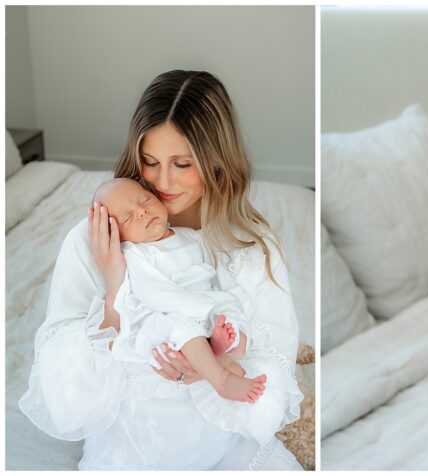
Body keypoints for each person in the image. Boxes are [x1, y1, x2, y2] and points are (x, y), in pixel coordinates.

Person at [18, 70, 303, 470]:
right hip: (128, 453)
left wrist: (211, 369)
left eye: (182, 164)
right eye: (150, 162)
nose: (163, 183)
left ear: (217, 160)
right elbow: (66, 403)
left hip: (224, 452)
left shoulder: (251, 247)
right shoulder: (95, 241)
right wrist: (114, 287)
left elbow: (270, 392)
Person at [95, 178, 267, 405]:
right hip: (163, 318)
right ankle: (222, 379)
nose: (142, 212)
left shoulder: (192, 236)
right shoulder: (136, 252)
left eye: (145, 200)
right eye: (128, 217)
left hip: (201, 305)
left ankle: (221, 350)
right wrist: (200, 307)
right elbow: (152, 293)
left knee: (234, 311)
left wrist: (218, 308)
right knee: (181, 325)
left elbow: (210, 276)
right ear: (117, 235)